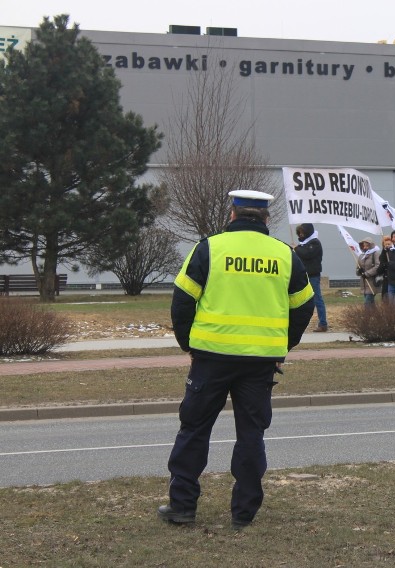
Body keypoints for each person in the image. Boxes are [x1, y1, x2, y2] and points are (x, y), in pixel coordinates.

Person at [161, 189, 315, 530]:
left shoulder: (209, 248)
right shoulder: (285, 255)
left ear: (232, 214)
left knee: (194, 430)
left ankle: (182, 507)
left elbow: (182, 301)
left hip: (210, 359)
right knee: (251, 435)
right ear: (266, 219)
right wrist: (282, 346)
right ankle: (243, 514)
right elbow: (305, 306)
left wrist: (190, 345)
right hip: (261, 362)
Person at [294, 223, 328, 332]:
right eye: (299, 233)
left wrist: (297, 249)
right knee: (301, 300)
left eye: (303, 233)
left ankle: (323, 323)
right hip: (303, 275)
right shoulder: (302, 245)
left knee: (317, 300)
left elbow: (306, 254)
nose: (301, 235)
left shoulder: (315, 243)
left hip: (313, 276)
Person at [356, 237, 381, 306]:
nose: (365, 247)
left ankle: (367, 316)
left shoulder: (376, 253)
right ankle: (374, 316)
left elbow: (377, 266)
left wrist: (367, 274)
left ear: (371, 245)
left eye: (367, 245)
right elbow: (357, 269)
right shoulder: (361, 256)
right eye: (363, 246)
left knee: (367, 303)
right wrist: (359, 271)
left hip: (372, 283)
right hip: (364, 283)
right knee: (371, 304)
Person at [377, 235, 392, 302]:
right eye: (385, 244)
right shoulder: (383, 254)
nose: (387, 245)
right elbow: (380, 269)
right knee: (385, 300)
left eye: (389, 244)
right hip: (386, 279)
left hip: (394, 279)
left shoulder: (394, 253)